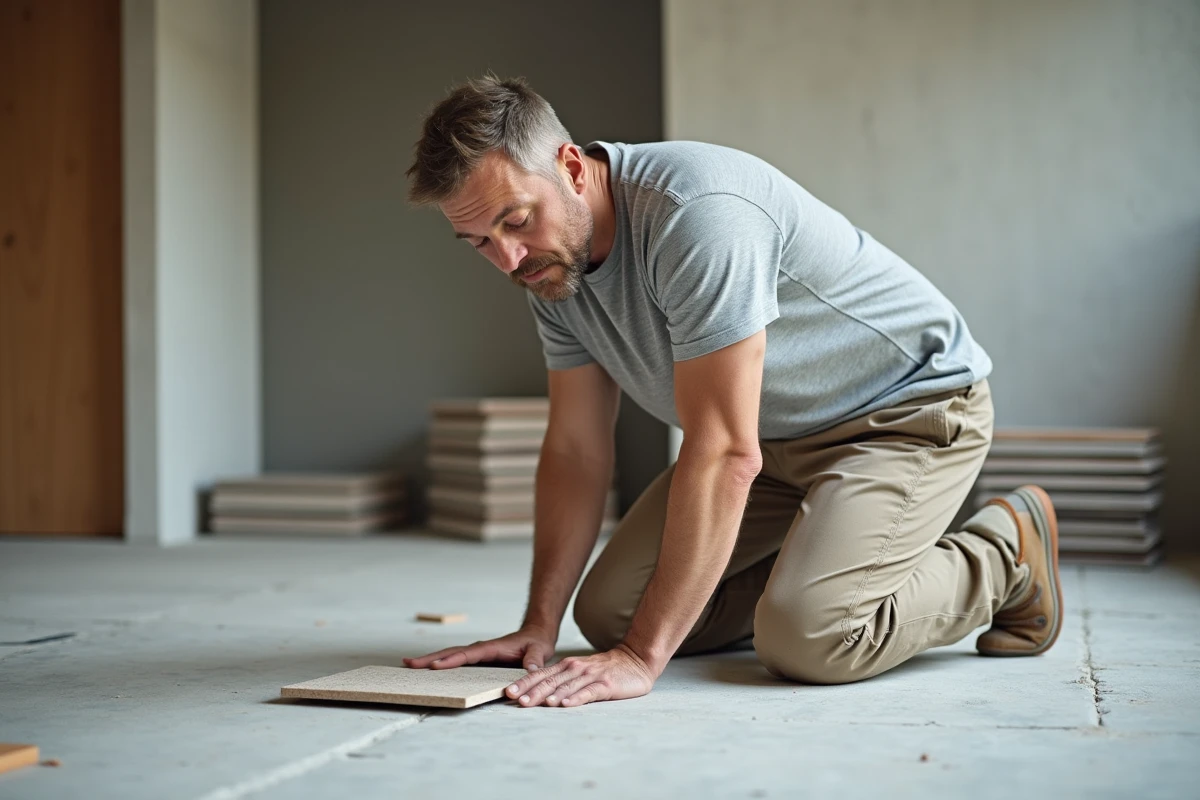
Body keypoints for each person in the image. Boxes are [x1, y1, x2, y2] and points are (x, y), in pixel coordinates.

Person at [402, 75, 1062, 709]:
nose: (507, 260)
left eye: (516, 221)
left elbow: (723, 452)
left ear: (572, 168)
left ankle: (1005, 551)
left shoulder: (696, 214)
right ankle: (814, 578)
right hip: (776, 440)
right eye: (478, 242)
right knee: (611, 614)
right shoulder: (552, 268)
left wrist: (642, 660)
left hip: (904, 414)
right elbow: (576, 448)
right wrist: (537, 629)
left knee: (812, 638)